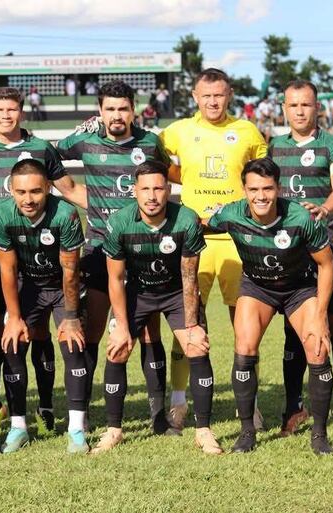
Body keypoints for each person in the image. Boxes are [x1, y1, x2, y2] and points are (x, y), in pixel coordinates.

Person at [0, 86, 85, 450]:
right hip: (0, 254)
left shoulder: (42, 149)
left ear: (21, 113)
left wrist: (113, 209)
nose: (6, 116)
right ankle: (1, 411)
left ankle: (47, 410)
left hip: (43, 256)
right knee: (1, 334)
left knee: (44, 333)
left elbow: (69, 189)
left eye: (12, 110)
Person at [56, 80, 171, 431]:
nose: (117, 115)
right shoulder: (85, 140)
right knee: (91, 331)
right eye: (110, 109)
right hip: (99, 249)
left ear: (133, 109)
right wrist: (82, 197)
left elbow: (167, 177)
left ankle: (158, 415)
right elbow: (48, 157)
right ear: (100, 111)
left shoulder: (150, 142)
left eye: (123, 108)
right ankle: (84, 413)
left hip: (144, 251)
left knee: (150, 332)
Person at [160, 68, 268, 432]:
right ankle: (177, 401)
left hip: (239, 241)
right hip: (195, 241)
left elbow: (262, 172)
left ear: (230, 94)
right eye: (206, 96)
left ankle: (248, 405)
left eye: (219, 95)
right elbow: (152, 158)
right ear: (194, 96)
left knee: (245, 325)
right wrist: (183, 177)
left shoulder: (248, 132)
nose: (213, 102)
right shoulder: (177, 132)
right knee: (187, 322)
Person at [205, 157, 333, 454]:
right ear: (244, 190)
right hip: (258, 287)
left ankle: (319, 435)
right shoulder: (230, 214)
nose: (260, 196)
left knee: (317, 348)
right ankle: (247, 432)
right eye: (253, 189)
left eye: (267, 188)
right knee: (245, 347)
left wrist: (319, 315)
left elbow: (326, 265)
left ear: (278, 188)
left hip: (299, 289)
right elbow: (200, 226)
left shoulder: (300, 219)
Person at [93, 161, 220, 455]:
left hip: (176, 291)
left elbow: (189, 277)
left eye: (158, 188)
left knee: (196, 346)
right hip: (138, 292)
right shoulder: (119, 223)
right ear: (134, 191)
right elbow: (115, 278)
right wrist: (122, 326)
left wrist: (191, 326)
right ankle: (114, 430)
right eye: (145, 189)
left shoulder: (186, 220)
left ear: (169, 190)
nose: (152, 196)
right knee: (117, 348)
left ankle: (203, 431)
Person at [271, 80, 333, 441]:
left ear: (317, 107)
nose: (300, 111)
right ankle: (294, 406)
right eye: (293, 106)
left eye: (306, 105)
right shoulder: (274, 147)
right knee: (294, 332)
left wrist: (324, 208)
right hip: (288, 252)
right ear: (284, 109)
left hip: (329, 246)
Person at [0, 159, 90, 454]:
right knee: (13, 342)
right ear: (12, 190)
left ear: (48, 188)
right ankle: (18, 427)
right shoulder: (1, 215)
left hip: (62, 286)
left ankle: (76, 429)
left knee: (73, 345)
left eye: (35, 191)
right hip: (28, 286)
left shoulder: (65, 214)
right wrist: (14, 317)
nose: (28, 199)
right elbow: (7, 270)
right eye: (21, 192)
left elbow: (70, 270)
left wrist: (71, 317)